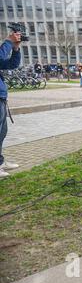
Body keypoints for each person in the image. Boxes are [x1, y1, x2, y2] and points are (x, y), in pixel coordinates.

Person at [0, 30, 22, 178]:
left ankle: (0, 162)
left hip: (1, 98)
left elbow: (11, 64)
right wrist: (8, 41)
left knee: (2, 132)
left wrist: (15, 48)